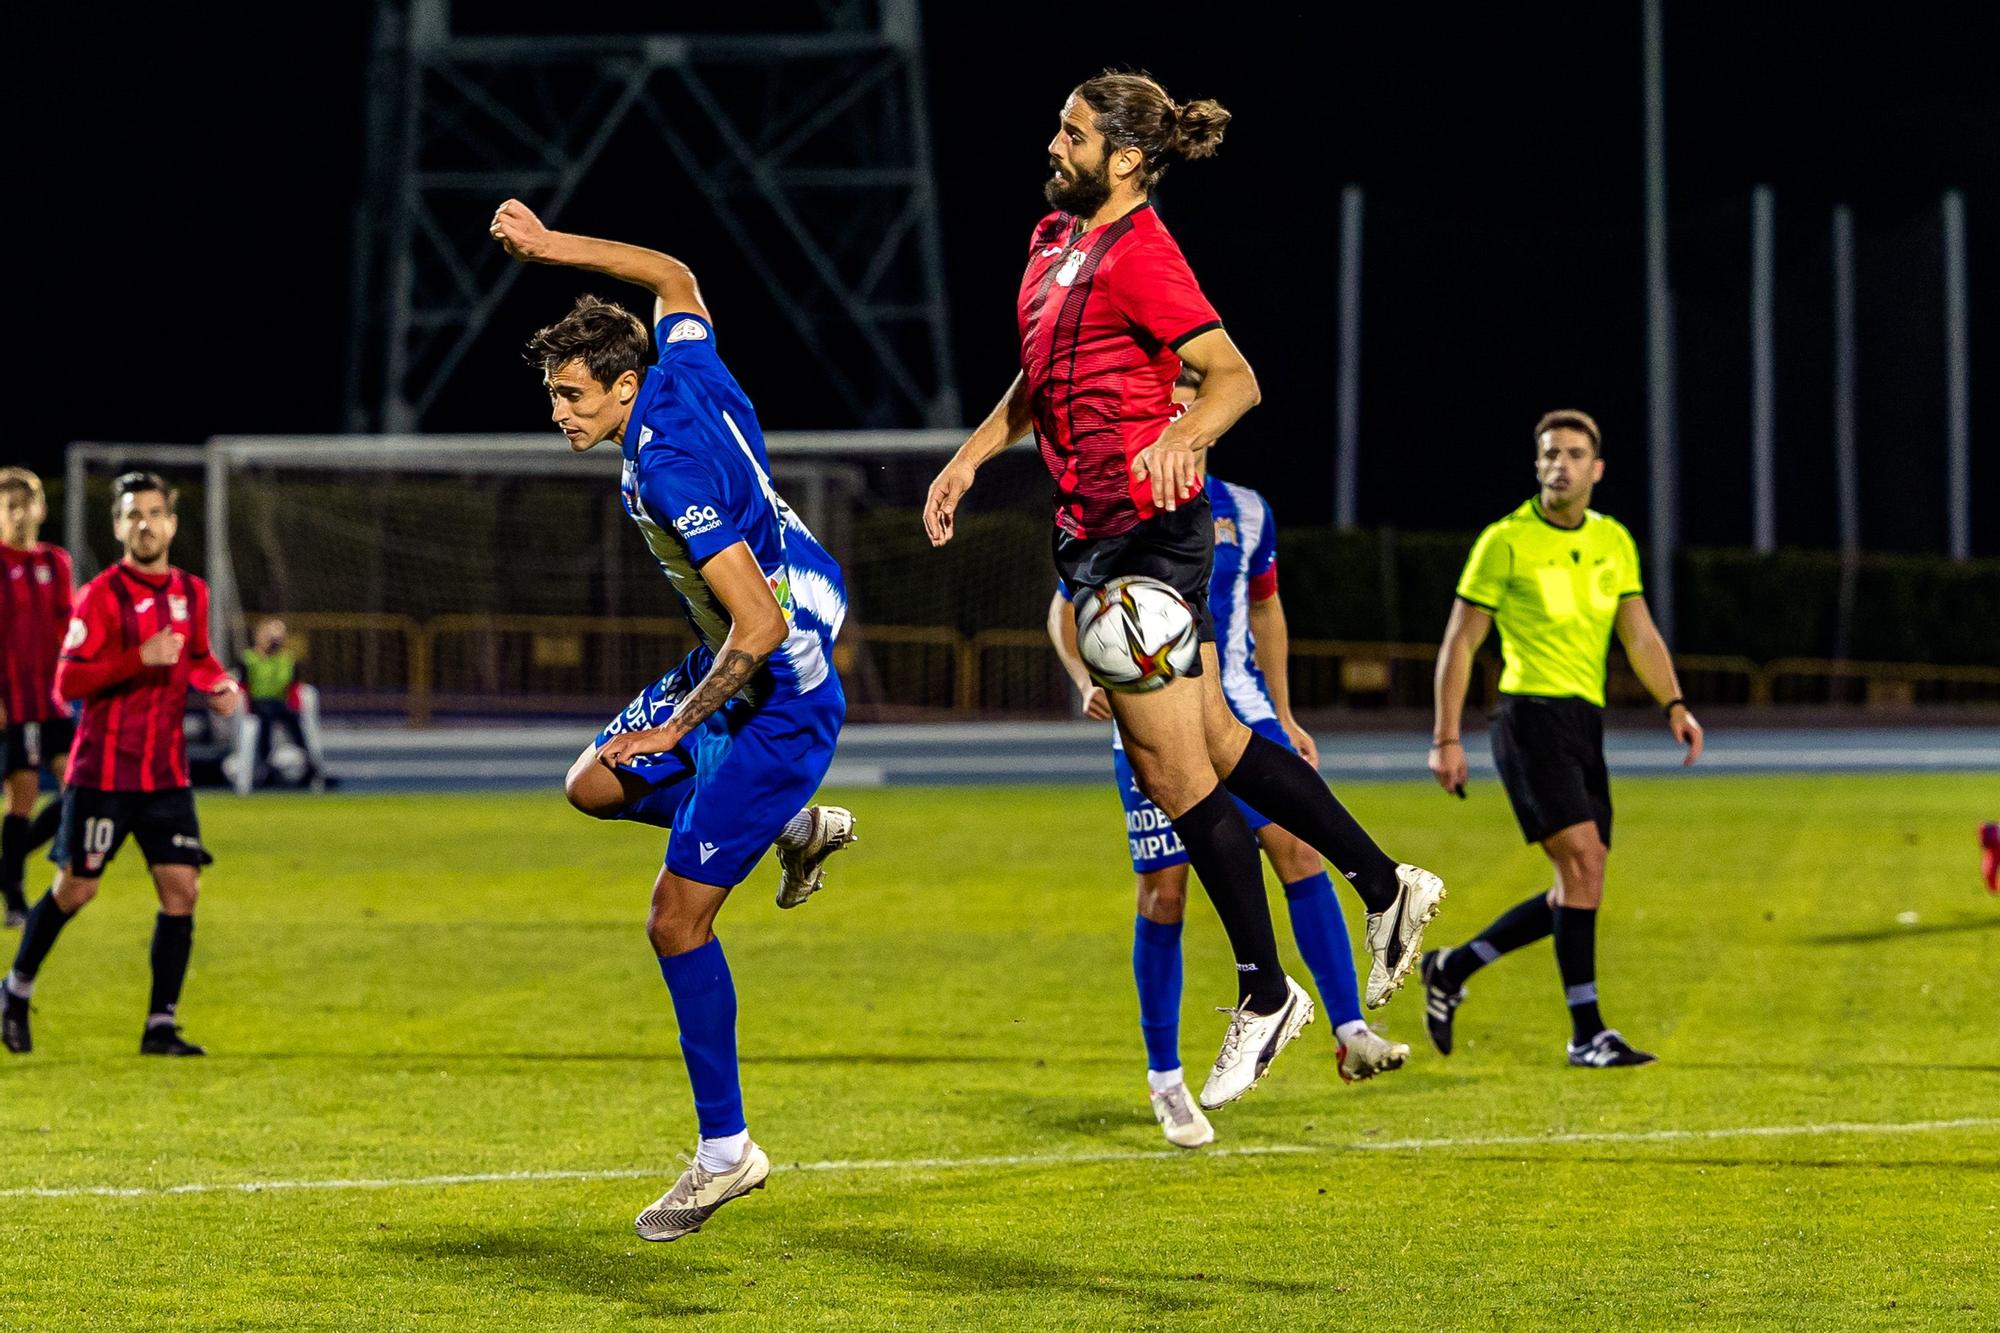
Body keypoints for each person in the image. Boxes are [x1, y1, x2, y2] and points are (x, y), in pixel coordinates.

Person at [925, 70, 1444, 1110]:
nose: (1054, 142)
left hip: (1147, 540)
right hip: (1088, 536)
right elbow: (1038, 380)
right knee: (1211, 746)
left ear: (1123, 158)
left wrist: (1181, 432)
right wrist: (972, 456)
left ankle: (1264, 989)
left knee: (1172, 774)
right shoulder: (1049, 242)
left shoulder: (1142, 252)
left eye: (1071, 132)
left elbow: (1234, 376)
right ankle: (1387, 884)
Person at [491, 198, 857, 1243]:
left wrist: (674, 726)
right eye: (554, 395)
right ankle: (787, 829)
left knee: (674, 918)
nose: (559, 412)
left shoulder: (668, 465)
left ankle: (724, 1151)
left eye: (571, 396)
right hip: (745, 651)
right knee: (590, 783)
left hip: (775, 694)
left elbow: (757, 621)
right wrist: (552, 247)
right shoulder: (684, 365)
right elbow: (676, 274)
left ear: (621, 388)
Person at [1048, 459, 1408, 1149]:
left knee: (1299, 851)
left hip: (1239, 714)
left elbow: (1266, 607)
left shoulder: (1245, 508)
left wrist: (1286, 709)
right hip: (1152, 720)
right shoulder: (1111, 492)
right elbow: (1066, 610)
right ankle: (1166, 1077)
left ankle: (1348, 1028)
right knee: (1164, 894)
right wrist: (1084, 677)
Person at [1421, 409, 1704, 1068]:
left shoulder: (1614, 541)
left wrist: (1675, 702)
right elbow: (1462, 640)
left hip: (1584, 723)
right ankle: (1586, 1031)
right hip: (1527, 719)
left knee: (1580, 882)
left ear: (1596, 469)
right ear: (1538, 463)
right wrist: (1445, 736)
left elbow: (1639, 633)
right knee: (1581, 861)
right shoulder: (1505, 540)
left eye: (1575, 454)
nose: (1561, 464)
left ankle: (1452, 967)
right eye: (1550, 453)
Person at [2, 472, 242, 1057]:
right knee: (75, 890)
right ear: (117, 526)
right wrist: (138, 657)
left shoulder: (192, 592)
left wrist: (219, 685)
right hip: (103, 775)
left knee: (182, 890)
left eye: (156, 513)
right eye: (134, 515)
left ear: (172, 524)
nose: (145, 524)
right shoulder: (101, 595)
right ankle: (15, 988)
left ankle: (160, 1024)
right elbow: (70, 680)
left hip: (165, 776)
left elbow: (201, 658)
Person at [0, 469, 73, 927]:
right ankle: (14, 897)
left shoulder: (56, 562)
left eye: (26, 505)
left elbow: (71, 630)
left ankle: (6, 867)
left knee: (79, 787)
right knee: (23, 798)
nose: (19, 514)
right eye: (9, 507)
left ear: (42, 510)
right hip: (16, 700)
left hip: (56, 699)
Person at [240, 618, 322, 788]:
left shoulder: (287, 659)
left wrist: (296, 707)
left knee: (295, 721)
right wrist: (246, 709)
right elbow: (243, 687)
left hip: (279, 703)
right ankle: (264, 764)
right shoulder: (249, 658)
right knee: (265, 719)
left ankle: (310, 764)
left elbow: (294, 688)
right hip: (259, 703)